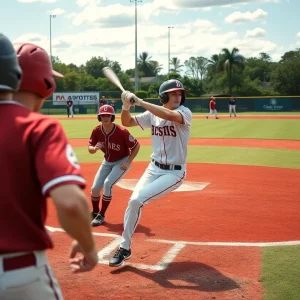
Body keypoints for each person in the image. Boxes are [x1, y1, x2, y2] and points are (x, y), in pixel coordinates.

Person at [0, 34, 98, 299]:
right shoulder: (38, 127)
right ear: (46, 84)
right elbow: (70, 203)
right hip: (19, 276)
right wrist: (88, 245)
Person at [108, 79, 192, 267]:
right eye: (174, 94)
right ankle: (125, 247)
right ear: (164, 96)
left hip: (174, 173)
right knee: (133, 201)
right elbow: (127, 122)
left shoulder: (184, 113)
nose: (178, 96)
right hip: (153, 168)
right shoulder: (152, 115)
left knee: (138, 200)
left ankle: (124, 246)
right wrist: (126, 106)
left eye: (180, 94)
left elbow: (169, 115)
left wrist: (140, 101)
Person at [88, 104, 140, 226]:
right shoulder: (96, 131)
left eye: (108, 116)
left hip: (122, 161)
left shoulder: (122, 132)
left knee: (108, 184)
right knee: (95, 189)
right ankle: (95, 211)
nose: (105, 118)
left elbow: (136, 146)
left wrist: (128, 162)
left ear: (112, 117)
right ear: (99, 117)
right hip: (107, 161)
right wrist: (94, 149)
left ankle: (101, 214)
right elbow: (90, 148)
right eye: (103, 116)